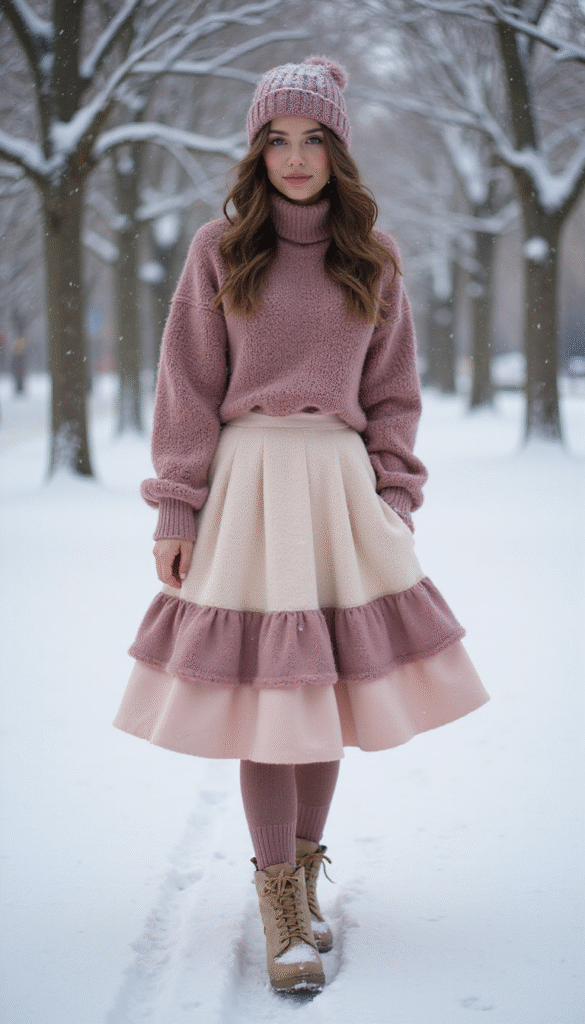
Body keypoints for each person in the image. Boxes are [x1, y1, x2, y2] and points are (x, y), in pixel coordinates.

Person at [114, 56, 489, 994]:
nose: (292, 158)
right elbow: (188, 388)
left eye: (310, 139)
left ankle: (306, 877)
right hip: (246, 483)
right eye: (275, 140)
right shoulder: (218, 248)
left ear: (337, 149)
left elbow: (393, 395)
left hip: (337, 488)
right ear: (254, 150)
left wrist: (392, 495)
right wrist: (176, 504)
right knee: (267, 699)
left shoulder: (374, 257)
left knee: (317, 689)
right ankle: (276, 898)